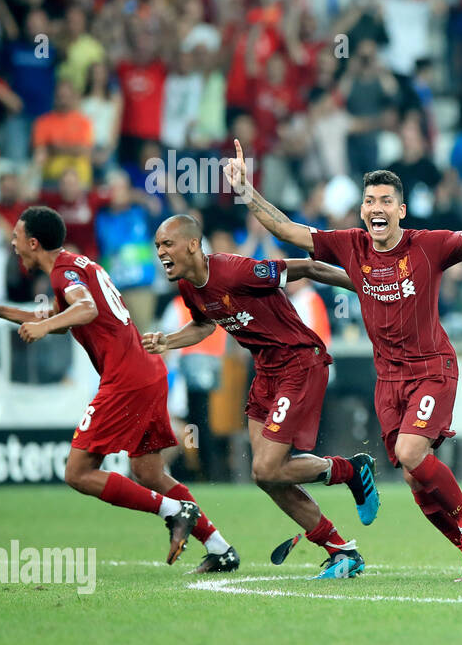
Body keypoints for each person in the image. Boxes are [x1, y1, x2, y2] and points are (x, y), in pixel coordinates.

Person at [225, 139, 462, 581]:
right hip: (388, 380)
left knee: (409, 451)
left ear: (401, 211)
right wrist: (247, 191)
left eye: (386, 200)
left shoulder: (428, 245)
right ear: (362, 211)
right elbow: (290, 231)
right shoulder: (352, 247)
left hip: (433, 368)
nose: (376, 207)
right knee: (412, 476)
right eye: (369, 201)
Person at [0, 207, 230, 571]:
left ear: (33, 242)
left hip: (127, 378)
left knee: (77, 472)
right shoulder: (76, 265)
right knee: (149, 473)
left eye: (16, 238)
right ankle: (220, 548)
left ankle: (174, 510)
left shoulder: (63, 272)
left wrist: (42, 329)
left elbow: (84, 309)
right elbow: (60, 318)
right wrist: (0, 310)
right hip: (147, 372)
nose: (12, 244)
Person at [144, 214, 381, 579]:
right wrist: (169, 341)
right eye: (158, 245)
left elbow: (308, 267)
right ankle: (341, 551)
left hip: (300, 361)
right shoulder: (191, 287)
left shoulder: (234, 270)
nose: (160, 252)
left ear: (192, 244)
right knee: (265, 476)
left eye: (167, 244)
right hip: (266, 371)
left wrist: (368, 289)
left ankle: (352, 470)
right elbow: (205, 324)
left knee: (268, 467)